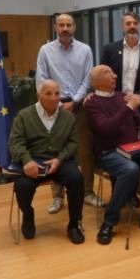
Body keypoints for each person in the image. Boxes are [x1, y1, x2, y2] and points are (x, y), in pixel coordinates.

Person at [85, 65, 140, 245]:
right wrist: (129, 106)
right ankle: (109, 222)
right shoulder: (92, 103)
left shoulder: (123, 96)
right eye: (108, 73)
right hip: (109, 153)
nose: (115, 75)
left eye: (114, 72)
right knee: (130, 169)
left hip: (134, 149)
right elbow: (107, 129)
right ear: (97, 81)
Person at [8, 80, 85, 244]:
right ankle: (28, 216)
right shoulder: (24, 115)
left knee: (76, 178)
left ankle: (73, 224)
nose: (54, 97)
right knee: (22, 186)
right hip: (33, 160)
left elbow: (73, 143)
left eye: (57, 93)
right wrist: (27, 160)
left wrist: (60, 159)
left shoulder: (68, 117)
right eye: (48, 93)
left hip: (60, 160)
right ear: (38, 96)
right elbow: (15, 143)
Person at [36, 13, 97, 214]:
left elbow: (88, 80)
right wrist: (55, 102)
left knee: (85, 151)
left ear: (74, 27)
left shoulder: (85, 50)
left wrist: (75, 101)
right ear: (55, 28)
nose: (65, 28)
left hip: (80, 107)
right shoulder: (46, 50)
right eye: (61, 25)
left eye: (68, 25)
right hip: (54, 107)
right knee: (56, 151)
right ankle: (57, 196)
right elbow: (41, 79)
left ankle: (87, 192)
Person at [100, 10, 140, 112]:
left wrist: (139, 95)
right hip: (114, 104)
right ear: (122, 27)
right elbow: (102, 75)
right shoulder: (110, 49)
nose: (132, 26)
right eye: (128, 23)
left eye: (135, 23)